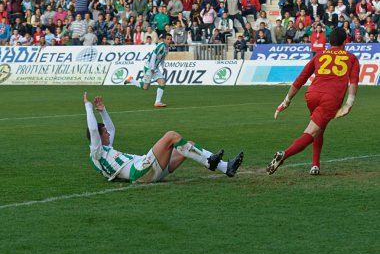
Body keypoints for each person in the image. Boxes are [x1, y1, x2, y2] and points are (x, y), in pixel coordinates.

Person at [84, 93, 244, 183]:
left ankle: (225, 167)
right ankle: (210, 162)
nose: (108, 134)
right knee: (171, 136)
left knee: (189, 145)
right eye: (104, 133)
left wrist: (103, 111)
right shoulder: (96, 152)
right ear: (97, 137)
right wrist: (88, 107)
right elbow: (93, 128)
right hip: (140, 172)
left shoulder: (104, 150)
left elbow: (111, 128)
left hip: (148, 170)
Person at [266, 28, 360, 176]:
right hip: (330, 98)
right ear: (344, 42)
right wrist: (349, 103)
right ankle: (283, 154)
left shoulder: (319, 55)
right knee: (312, 132)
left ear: (329, 42)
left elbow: (301, 79)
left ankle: (315, 165)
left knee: (319, 128)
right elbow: (353, 82)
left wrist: (286, 101)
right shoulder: (352, 58)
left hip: (312, 95)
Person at [124, 33, 172, 108]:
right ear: (164, 39)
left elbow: (162, 58)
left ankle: (157, 102)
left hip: (155, 68)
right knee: (145, 87)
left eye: (170, 39)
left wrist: (163, 67)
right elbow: (153, 55)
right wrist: (152, 68)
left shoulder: (167, 48)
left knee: (162, 82)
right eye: (168, 39)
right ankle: (131, 80)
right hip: (149, 67)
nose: (169, 41)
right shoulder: (161, 45)